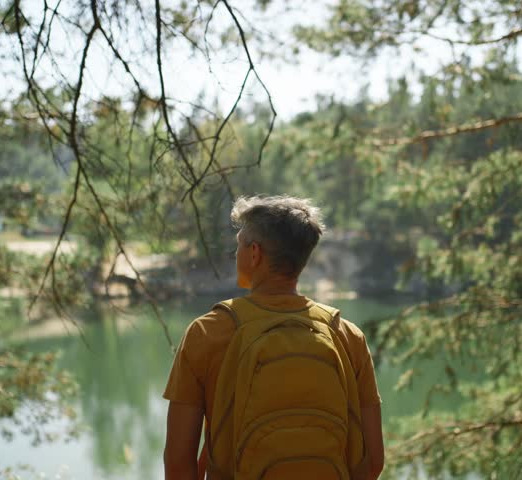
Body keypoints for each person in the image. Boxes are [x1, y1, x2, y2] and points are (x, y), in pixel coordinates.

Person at [163, 195, 384, 480]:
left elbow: (179, 463)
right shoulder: (347, 335)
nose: (235, 255)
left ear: (254, 254)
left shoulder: (207, 332)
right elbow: (374, 460)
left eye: (239, 245)